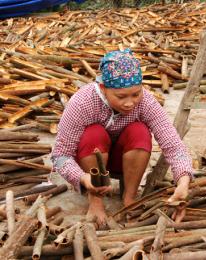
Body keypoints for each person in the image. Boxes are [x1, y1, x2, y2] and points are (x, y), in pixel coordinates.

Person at [51, 48, 193, 226]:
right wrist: (83, 178)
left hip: (124, 161)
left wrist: (183, 181)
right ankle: (95, 202)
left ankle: (129, 199)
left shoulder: (146, 102)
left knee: (140, 132)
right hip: (90, 164)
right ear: (103, 88)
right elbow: (60, 155)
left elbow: (173, 145)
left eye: (136, 94)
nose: (130, 103)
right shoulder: (82, 103)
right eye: (121, 96)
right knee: (93, 134)